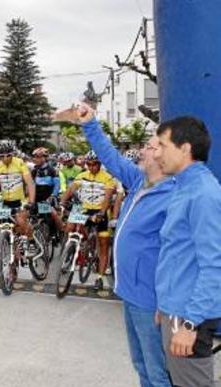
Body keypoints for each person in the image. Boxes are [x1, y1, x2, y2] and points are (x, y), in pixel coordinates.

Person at [76, 104, 173, 387]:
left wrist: (168, 302)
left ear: (162, 156)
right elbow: (110, 157)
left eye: (150, 146)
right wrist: (90, 125)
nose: (142, 150)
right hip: (130, 293)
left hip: (150, 299)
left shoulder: (173, 196)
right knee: (141, 364)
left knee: (157, 371)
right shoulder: (138, 181)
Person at [153, 116, 221, 387]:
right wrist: (165, 304)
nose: (157, 153)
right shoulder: (184, 187)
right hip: (175, 310)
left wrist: (190, 324)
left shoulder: (203, 195)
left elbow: (214, 265)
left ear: (185, 148)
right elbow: (177, 254)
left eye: (162, 145)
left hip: (189, 317)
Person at [61, 150, 114, 291]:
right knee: (70, 227)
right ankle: (74, 250)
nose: (91, 167)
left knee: (103, 244)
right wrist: (62, 203)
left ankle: (99, 277)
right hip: (84, 210)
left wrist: (102, 213)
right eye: (88, 164)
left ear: (99, 164)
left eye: (94, 164)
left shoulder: (107, 177)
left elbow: (107, 198)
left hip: (99, 212)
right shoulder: (82, 175)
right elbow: (70, 190)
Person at [0, 141, 36, 253]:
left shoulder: (19, 163)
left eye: (8, 155)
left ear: (13, 153)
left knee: (20, 221)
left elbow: (30, 183)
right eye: (2, 156)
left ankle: (31, 240)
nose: (5, 158)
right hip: (5, 201)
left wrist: (31, 202)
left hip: (20, 200)